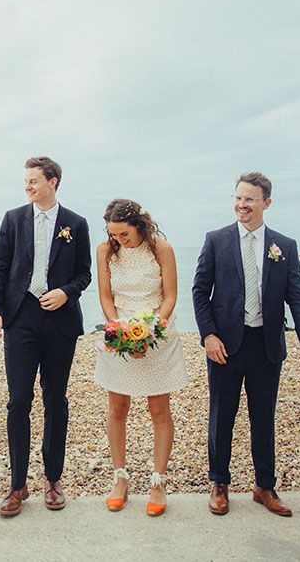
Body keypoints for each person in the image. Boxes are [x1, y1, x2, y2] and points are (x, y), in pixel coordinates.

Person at [193, 172, 300, 517]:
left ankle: (264, 487)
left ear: (266, 203)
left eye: (250, 199)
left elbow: (297, 296)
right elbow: (200, 291)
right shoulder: (216, 240)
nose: (242, 205)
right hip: (225, 345)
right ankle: (219, 483)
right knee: (221, 416)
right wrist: (208, 335)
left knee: (263, 418)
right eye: (238, 198)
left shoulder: (284, 246)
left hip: (267, 345)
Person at [0, 156, 91, 517]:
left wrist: (66, 292)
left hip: (60, 321)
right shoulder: (13, 219)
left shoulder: (76, 223)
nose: (27, 186)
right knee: (18, 401)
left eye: (33, 181)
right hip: (20, 318)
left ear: (53, 181)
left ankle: (53, 479)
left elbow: (84, 274)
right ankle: (17, 485)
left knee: (56, 400)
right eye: (26, 181)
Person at [94, 199, 188, 516]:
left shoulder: (162, 249)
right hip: (119, 336)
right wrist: (119, 329)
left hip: (156, 335)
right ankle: (120, 478)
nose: (119, 240)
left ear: (139, 225)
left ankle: (158, 482)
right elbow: (106, 298)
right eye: (113, 234)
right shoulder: (105, 251)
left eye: (123, 234)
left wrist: (150, 331)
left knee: (159, 409)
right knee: (117, 407)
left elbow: (171, 295)